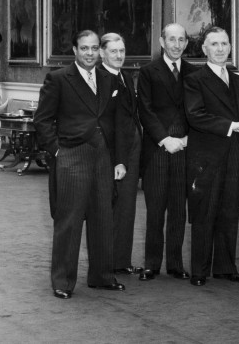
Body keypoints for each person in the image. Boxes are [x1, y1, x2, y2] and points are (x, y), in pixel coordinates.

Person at [34, 30, 132, 299]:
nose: (89, 53)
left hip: (103, 158)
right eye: (84, 48)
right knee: (70, 221)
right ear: (75, 51)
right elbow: (42, 120)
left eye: (93, 48)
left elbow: (118, 123)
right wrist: (57, 152)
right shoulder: (58, 79)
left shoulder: (108, 78)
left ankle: (102, 277)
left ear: (99, 51)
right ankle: (63, 282)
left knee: (103, 218)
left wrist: (119, 159)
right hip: (71, 157)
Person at [184, 27, 239, 287]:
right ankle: (199, 271)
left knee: (228, 212)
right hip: (207, 156)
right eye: (215, 44)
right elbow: (195, 115)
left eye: (225, 43)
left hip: (234, 154)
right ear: (204, 49)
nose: (221, 49)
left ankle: (225, 267)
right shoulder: (195, 80)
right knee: (204, 212)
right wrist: (232, 126)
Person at [137, 24, 198, 281]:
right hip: (158, 150)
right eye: (171, 39)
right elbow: (145, 110)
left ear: (186, 43)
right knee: (155, 209)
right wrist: (164, 139)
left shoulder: (195, 73)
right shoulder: (148, 72)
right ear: (162, 42)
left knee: (178, 209)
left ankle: (175, 264)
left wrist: (186, 139)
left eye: (181, 40)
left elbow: (199, 111)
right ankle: (151, 263)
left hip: (185, 148)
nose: (176, 44)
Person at [98, 33, 143, 277]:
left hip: (132, 150)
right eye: (113, 51)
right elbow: (107, 124)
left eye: (122, 51)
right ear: (102, 53)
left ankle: (121, 260)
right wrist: (118, 159)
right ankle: (105, 263)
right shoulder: (99, 78)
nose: (119, 56)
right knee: (108, 209)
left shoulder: (125, 76)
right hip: (113, 154)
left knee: (127, 207)